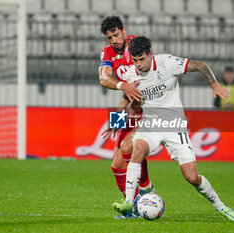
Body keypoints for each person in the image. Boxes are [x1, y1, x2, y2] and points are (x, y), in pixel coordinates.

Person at [112, 36, 234, 221]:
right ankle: (129, 202)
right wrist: (115, 122)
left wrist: (214, 84)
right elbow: (126, 97)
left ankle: (221, 207)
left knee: (192, 177)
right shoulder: (131, 74)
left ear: (151, 54)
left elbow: (200, 65)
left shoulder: (167, 63)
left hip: (174, 125)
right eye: (135, 60)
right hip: (151, 123)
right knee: (137, 148)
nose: (139, 64)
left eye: (142, 59)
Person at [98, 16, 155, 218]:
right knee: (117, 164)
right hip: (131, 105)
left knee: (128, 147)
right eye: (109, 37)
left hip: (149, 107)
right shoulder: (108, 52)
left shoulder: (136, 47)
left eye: (116, 35)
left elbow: (140, 85)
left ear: (123, 30)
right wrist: (117, 120)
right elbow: (104, 78)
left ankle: (147, 191)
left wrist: (125, 92)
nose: (114, 40)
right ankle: (132, 208)